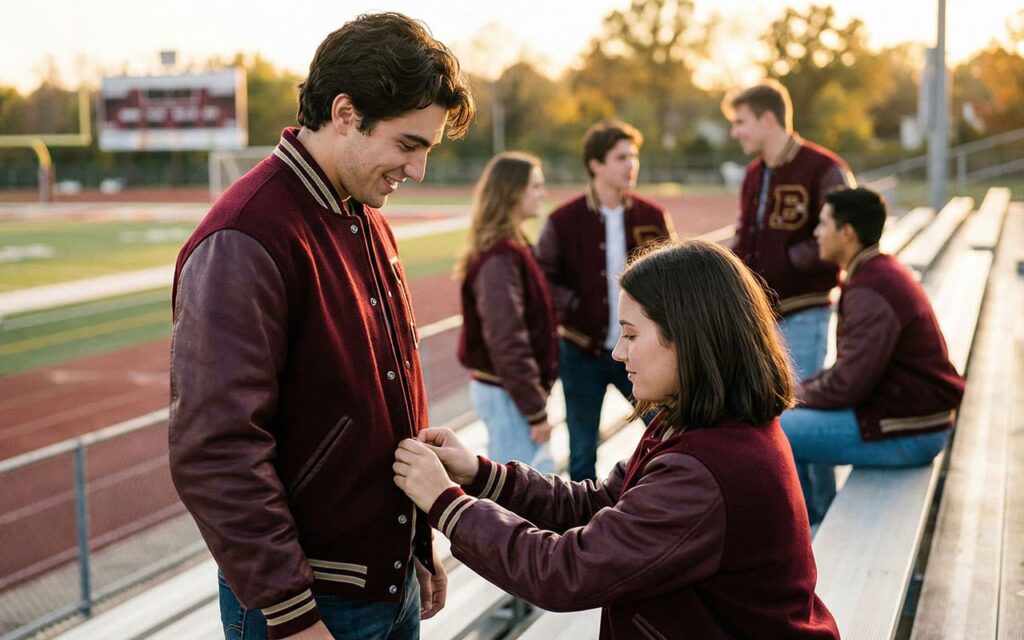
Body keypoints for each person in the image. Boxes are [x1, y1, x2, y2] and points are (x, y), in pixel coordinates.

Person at [168, 13, 474, 640]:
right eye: (408, 145)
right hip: (311, 607)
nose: (416, 171)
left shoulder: (363, 212)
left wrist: (415, 547)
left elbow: (383, 397)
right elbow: (216, 449)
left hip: (383, 584)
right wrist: (290, 612)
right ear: (343, 111)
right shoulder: (245, 236)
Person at [394, 240, 841, 640]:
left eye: (630, 334)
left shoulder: (707, 469)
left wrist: (447, 504)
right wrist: (479, 474)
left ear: (688, 338)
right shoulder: (693, 422)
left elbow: (564, 571)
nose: (617, 352)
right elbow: (602, 504)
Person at [780, 188, 965, 524]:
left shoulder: (871, 287)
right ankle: (815, 515)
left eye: (823, 224)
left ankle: (805, 529)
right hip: (909, 420)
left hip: (912, 432)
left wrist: (790, 398)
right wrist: (797, 394)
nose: (816, 233)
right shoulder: (876, 273)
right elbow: (846, 376)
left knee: (777, 428)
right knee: (796, 415)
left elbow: (847, 386)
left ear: (846, 233)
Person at [536, 120, 674, 481]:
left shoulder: (651, 216)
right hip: (581, 352)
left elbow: (677, 276)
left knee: (666, 432)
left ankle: (658, 504)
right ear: (596, 164)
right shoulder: (564, 220)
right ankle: (583, 533)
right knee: (582, 450)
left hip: (643, 348)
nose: (632, 164)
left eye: (634, 156)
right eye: (621, 157)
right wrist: (576, 307)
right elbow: (542, 278)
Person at [722, 80, 855, 379]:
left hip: (805, 313)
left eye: (740, 122)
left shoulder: (824, 168)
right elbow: (746, 236)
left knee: (796, 413)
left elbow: (848, 235)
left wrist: (787, 260)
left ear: (768, 119)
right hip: (756, 316)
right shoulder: (753, 173)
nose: (735, 132)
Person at [453, 152, 559, 473]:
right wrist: (535, 410)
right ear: (512, 192)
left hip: (511, 392)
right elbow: (506, 338)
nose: (543, 194)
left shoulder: (512, 246)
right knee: (525, 495)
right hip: (508, 394)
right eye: (536, 187)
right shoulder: (500, 256)